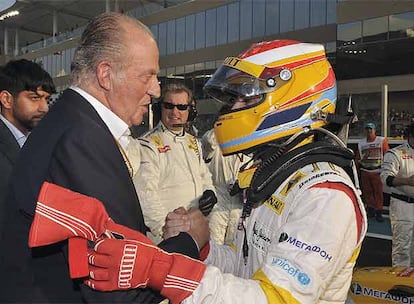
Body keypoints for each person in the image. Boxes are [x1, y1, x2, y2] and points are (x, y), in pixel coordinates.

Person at [86, 39, 368, 303]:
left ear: (290, 98)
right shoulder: (274, 176)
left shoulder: (324, 196)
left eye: (244, 99)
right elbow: (242, 265)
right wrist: (202, 245)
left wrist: (162, 270)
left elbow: (272, 299)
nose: (232, 108)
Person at [0, 12, 208, 303]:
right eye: (147, 75)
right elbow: (119, 290)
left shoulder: (70, 122)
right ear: (106, 74)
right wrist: (191, 241)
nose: (156, 90)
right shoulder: (80, 139)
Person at [133, 83, 216, 243]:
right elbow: (146, 197)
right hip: (167, 238)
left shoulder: (194, 142)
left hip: (195, 233)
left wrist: (209, 192)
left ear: (190, 111)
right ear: (160, 109)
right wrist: (166, 230)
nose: (175, 112)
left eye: (181, 107)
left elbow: (204, 176)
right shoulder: (148, 145)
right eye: (169, 106)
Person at [0, 59, 55, 225]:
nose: (44, 108)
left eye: (47, 100)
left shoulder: (43, 141)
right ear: (6, 99)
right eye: (34, 98)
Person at [201, 127, 251, 245]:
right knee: (214, 244)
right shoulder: (215, 145)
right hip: (219, 202)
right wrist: (224, 126)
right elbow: (208, 140)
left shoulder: (250, 147)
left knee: (234, 246)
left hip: (239, 205)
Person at [380, 122, 414, 267]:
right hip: (402, 205)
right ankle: (399, 285)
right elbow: (385, 178)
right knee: (403, 248)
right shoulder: (395, 154)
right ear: (409, 136)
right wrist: (408, 181)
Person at [356, 122, 390, 222]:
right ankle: (371, 210)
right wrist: (356, 166)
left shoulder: (381, 140)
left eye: (371, 129)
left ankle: (379, 211)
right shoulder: (361, 143)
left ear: (375, 130)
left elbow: (387, 153)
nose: (369, 131)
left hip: (377, 171)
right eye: (367, 129)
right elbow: (358, 157)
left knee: (378, 192)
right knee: (368, 192)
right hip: (365, 171)